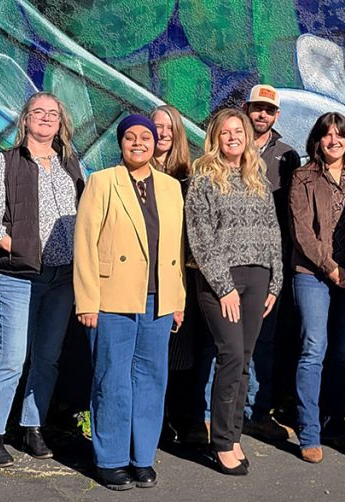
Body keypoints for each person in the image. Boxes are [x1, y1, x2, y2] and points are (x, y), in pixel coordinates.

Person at [0, 92, 85, 468]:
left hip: (63, 277)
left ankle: (32, 426)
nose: (46, 118)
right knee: (13, 358)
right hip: (18, 277)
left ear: (61, 123)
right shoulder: (5, 162)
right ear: (25, 119)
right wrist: (12, 245)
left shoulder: (71, 164)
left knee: (48, 358)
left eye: (53, 113)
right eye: (39, 112)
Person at [74, 114, 186, 490]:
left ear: (155, 144)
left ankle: (142, 457)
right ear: (120, 143)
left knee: (152, 378)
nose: (138, 143)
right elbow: (85, 244)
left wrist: (178, 299)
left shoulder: (170, 187)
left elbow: (176, 248)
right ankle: (111, 459)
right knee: (112, 377)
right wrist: (87, 300)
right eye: (130, 137)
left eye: (146, 137)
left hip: (159, 299)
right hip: (112, 297)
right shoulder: (102, 181)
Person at [186, 108, 281, 475]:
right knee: (229, 355)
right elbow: (200, 239)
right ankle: (222, 442)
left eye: (238, 131)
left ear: (246, 136)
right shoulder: (204, 180)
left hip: (258, 277)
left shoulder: (257, 178)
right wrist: (223, 287)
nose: (232, 137)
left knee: (243, 358)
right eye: (225, 132)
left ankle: (234, 434)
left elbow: (272, 231)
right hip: (219, 281)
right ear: (216, 138)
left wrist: (275, 282)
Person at [289, 112, 345, 463]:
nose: (333, 141)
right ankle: (309, 431)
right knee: (313, 348)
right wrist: (331, 267)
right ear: (318, 140)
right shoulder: (303, 177)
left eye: (340, 135)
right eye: (327, 135)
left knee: (343, 352)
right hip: (312, 274)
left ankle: (334, 423)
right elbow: (302, 231)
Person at [241, 84, 301, 437]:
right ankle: (214, 415)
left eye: (269, 110)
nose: (262, 115)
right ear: (246, 109)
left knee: (263, 340)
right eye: (257, 108)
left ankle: (257, 413)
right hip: (232, 257)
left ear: (277, 115)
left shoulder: (287, 156)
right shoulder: (229, 145)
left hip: (269, 260)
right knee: (223, 340)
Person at [151, 105, 203, 444]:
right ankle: (154, 421)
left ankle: (182, 418)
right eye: (158, 126)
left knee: (182, 347)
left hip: (183, 272)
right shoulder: (133, 172)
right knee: (153, 350)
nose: (163, 133)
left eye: (170, 127)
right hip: (147, 272)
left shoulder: (189, 176)